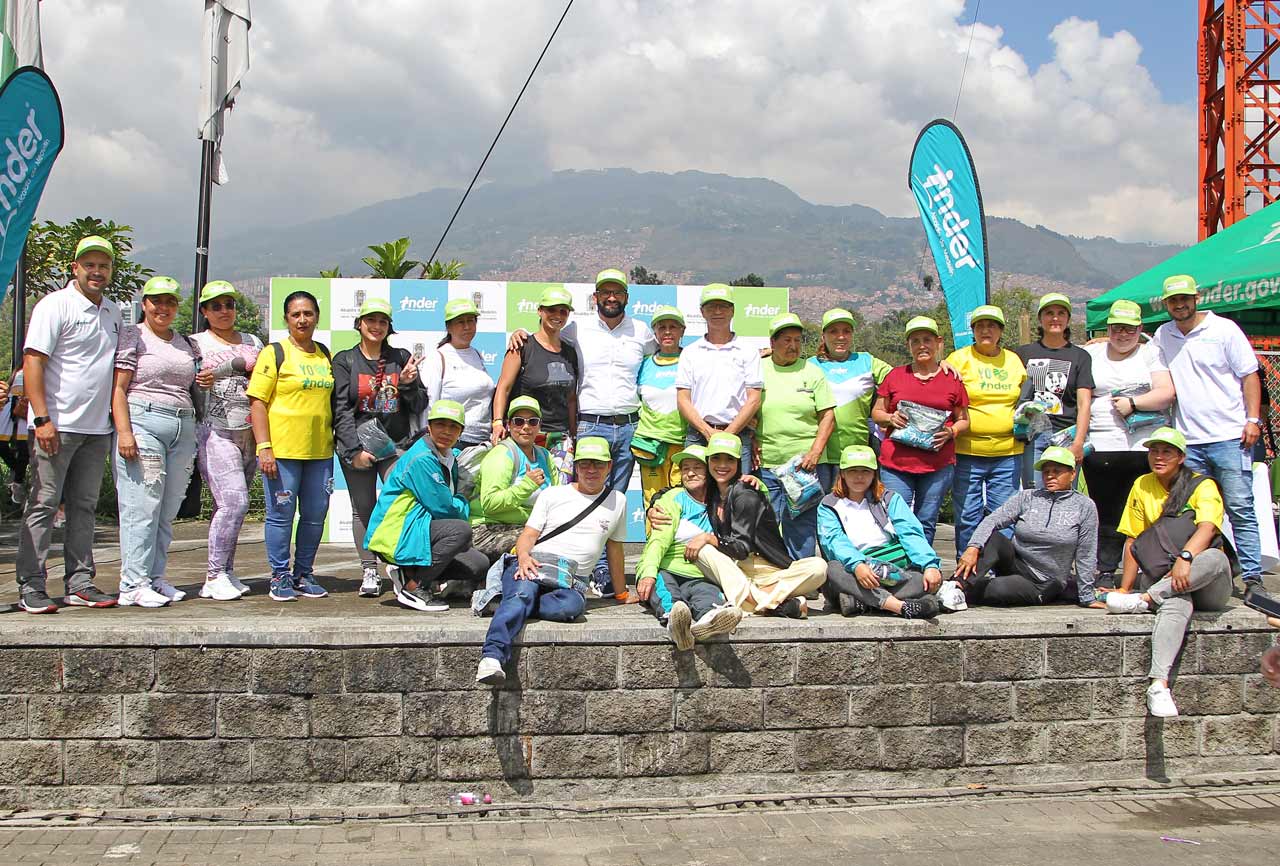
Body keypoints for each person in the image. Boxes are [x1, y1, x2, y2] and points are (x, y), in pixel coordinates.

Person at [16, 236, 123, 613]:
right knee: (44, 504)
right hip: (55, 426)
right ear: (75, 268)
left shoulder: (113, 311)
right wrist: (42, 418)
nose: (96, 272)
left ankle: (79, 581)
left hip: (97, 429)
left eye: (103, 266)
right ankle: (31, 584)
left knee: (85, 507)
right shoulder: (55, 305)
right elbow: (33, 361)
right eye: (89, 265)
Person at [1103, 427, 1234, 717]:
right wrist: (1125, 588)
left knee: (1213, 558)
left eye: (1166, 452)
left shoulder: (1202, 485)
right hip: (1170, 580)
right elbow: (1133, 539)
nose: (1158, 457)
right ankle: (1159, 685)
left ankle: (1147, 599)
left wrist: (1186, 557)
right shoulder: (1142, 484)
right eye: (1154, 451)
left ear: (1181, 457)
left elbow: (1209, 526)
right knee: (1175, 602)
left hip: (1206, 578)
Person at [476, 436, 628, 685]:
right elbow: (529, 534)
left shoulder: (618, 500)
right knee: (523, 593)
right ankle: (491, 656)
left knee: (570, 608)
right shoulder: (553, 494)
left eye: (598, 465)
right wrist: (523, 556)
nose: (591, 470)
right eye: (585, 464)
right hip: (534, 562)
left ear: (609, 466)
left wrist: (621, 593)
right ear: (576, 466)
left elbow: (615, 548)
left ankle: (508, 603)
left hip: (571, 581)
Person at [1151, 274, 1264, 593]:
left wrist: (1252, 419)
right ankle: (1206, 572)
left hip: (1230, 436)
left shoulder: (1224, 329)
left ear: (1196, 297)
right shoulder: (1164, 334)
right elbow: (1143, 354)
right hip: (1188, 442)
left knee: (1239, 507)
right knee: (1194, 513)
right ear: (1166, 304)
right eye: (1173, 300)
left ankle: (1253, 577)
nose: (1180, 304)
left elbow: (1249, 375)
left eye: (1185, 298)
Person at [110, 275, 201, 607]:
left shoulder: (186, 343)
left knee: (166, 509)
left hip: (183, 425)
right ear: (144, 303)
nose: (163, 307)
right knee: (141, 506)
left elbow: (194, 386)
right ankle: (132, 583)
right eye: (156, 301)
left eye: (170, 301)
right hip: (142, 421)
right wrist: (125, 432)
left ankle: (155, 576)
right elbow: (118, 389)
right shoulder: (132, 335)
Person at [332, 297, 425, 598]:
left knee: (405, 500)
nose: (376, 326)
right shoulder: (345, 360)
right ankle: (368, 568)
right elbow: (341, 410)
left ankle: (404, 566)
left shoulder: (401, 357)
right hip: (356, 444)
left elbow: (419, 405)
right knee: (363, 509)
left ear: (389, 327)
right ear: (359, 324)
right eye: (370, 320)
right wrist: (354, 450)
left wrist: (409, 383)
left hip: (394, 444)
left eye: (382, 321)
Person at [247, 290, 335, 603]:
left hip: (320, 453)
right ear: (286, 319)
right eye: (296, 314)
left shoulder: (323, 353)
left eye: (308, 313)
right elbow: (257, 402)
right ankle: (280, 575)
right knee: (281, 516)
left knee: (314, 516)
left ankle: (303, 573)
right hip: (282, 452)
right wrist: (264, 446)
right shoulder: (274, 353)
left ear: (316, 318)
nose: (302, 319)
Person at [365, 400, 489, 611]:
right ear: (429, 427)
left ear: (461, 432)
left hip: (418, 529)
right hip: (395, 534)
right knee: (460, 531)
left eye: (453, 427)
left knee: (479, 564)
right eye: (440, 424)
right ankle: (414, 587)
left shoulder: (449, 456)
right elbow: (445, 510)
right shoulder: (422, 458)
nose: (446, 431)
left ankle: (409, 570)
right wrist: (462, 499)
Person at [1083, 299, 1175, 579]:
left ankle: (1150, 570)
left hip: (1141, 448)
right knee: (1106, 513)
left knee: (1146, 511)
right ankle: (1106, 570)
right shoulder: (1092, 353)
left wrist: (1134, 404)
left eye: (1130, 329)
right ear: (1108, 328)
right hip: (1101, 446)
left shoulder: (1151, 354)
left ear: (1140, 329)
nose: (1123, 335)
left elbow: (1166, 392)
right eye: (1117, 328)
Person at [692, 432, 827, 617]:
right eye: (716, 459)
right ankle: (774, 603)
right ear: (708, 462)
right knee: (702, 551)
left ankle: (753, 601)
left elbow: (740, 548)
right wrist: (654, 505)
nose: (722, 465)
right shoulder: (711, 493)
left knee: (819, 567)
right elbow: (675, 491)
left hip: (769, 569)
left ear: (738, 463)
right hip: (736, 570)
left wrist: (710, 538)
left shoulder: (746, 494)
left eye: (729, 460)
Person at [953, 446, 1101, 608]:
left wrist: (1087, 596)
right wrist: (973, 547)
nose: (1050, 476)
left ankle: (962, 593)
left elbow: (1086, 554)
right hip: (1016, 564)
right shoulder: (1027, 497)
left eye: (1056, 471)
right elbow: (992, 520)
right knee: (993, 538)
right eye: (1046, 472)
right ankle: (955, 587)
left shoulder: (1084, 506)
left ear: (1072, 474)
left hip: (1044, 581)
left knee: (996, 588)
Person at [189, 280, 263, 601]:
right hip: (215, 430)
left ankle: (227, 570)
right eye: (216, 306)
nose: (224, 311)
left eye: (229, 305)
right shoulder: (194, 344)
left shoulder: (252, 341)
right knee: (235, 502)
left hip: (249, 430)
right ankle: (213, 574)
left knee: (233, 507)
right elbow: (188, 387)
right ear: (204, 311)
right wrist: (200, 383)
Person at [870, 315, 969, 544]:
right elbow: (877, 413)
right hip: (896, 464)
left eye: (927, 339)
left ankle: (922, 569)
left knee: (926, 519)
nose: (922, 345)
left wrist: (952, 432)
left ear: (938, 342)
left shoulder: (952, 379)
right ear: (908, 346)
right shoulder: (895, 376)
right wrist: (890, 417)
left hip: (937, 465)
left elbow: (963, 419)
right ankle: (899, 569)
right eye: (915, 341)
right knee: (896, 518)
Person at [635, 445, 744, 648]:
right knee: (670, 599)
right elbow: (658, 541)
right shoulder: (672, 498)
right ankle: (675, 626)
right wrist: (648, 573)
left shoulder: (722, 501)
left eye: (697, 467)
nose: (690, 473)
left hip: (701, 573)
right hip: (668, 568)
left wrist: (754, 480)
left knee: (709, 597)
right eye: (685, 468)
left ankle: (709, 622)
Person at [816, 445, 942, 619]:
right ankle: (899, 606)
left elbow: (910, 533)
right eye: (853, 471)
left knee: (923, 580)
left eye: (865, 471)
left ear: (874, 474)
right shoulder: (828, 505)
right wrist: (858, 565)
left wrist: (930, 565)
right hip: (854, 570)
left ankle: (862, 603)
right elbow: (834, 540)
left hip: (895, 571)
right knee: (832, 569)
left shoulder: (890, 498)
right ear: (842, 473)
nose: (859, 476)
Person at [946, 305, 1026, 556]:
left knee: (1003, 514)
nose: (985, 330)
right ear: (972, 330)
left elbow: (1026, 397)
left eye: (991, 325)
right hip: (968, 451)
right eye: (980, 325)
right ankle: (966, 566)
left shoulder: (1013, 360)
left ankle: (998, 566)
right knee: (968, 513)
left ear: (1001, 331)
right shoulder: (958, 359)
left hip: (1008, 451)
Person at [755, 312, 835, 559]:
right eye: (786, 340)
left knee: (801, 524)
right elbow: (744, 407)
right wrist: (752, 438)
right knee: (766, 522)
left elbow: (828, 416)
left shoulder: (812, 372)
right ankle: (775, 574)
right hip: (767, 463)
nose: (793, 346)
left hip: (805, 466)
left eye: (797, 340)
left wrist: (815, 452)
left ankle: (803, 576)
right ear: (772, 343)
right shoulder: (757, 368)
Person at [675, 284, 762, 474]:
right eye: (711, 307)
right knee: (697, 495)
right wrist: (708, 432)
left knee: (738, 497)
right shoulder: (691, 352)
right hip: (698, 435)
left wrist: (728, 434)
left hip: (738, 435)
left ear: (732, 311)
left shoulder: (748, 350)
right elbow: (683, 399)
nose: (717, 311)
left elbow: (754, 398)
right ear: (702, 312)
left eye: (723, 306)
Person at [808, 308, 892, 490]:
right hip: (816, 454)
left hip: (855, 454)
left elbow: (901, 380)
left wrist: (937, 363)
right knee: (816, 514)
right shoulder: (809, 365)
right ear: (823, 336)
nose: (840, 337)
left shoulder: (866, 361)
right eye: (833, 331)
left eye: (846, 331)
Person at [1015, 292, 1093, 486]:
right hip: (1031, 436)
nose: (1055, 318)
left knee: (1064, 493)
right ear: (1040, 319)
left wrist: (1078, 442)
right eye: (1049, 313)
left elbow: (1084, 403)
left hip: (1066, 434)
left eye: (1061, 313)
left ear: (1068, 319)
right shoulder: (1022, 353)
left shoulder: (1080, 356)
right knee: (1033, 493)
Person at [492, 285, 580, 449]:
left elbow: (571, 399)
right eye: (551, 309)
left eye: (563, 311)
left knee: (561, 476)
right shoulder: (522, 346)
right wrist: (497, 422)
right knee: (530, 476)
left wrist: (574, 434)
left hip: (560, 437)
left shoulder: (570, 351)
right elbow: (503, 388)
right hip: (526, 434)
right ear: (540, 311)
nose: (557, 315)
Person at [421, 297, 495, 449]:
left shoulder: (476, 355)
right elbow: (429, 404)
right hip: (453, 443)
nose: (467, 326)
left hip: (482, 441)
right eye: (460, 322)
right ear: (449, 327)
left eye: (471, 321)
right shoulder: (437, 357)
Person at [634, 306, 688, 513]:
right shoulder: (644, 363)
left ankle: (680, 547)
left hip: (681, 444)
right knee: (653, 503)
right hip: (650, 445)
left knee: (681, 501)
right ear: (654, 332)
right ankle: (653, 545)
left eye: (673, 327)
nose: (667, 332)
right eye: (662, 327)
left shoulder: (691, 360)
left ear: (682, 331)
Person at [0, 364, 29, 507]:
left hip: (27, 404)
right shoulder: (18, 369)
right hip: (9, 404)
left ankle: (18, 482)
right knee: (1, 444)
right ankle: (16, 470)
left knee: (25, 449)